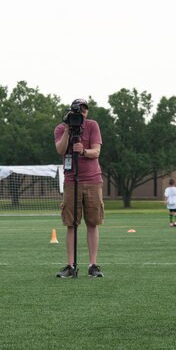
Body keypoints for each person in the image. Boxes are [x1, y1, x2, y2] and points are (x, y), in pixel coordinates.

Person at [54, 98, 104, 278]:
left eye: (84, 110)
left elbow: (96, 152)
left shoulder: (92, 126)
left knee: (92, 222)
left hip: (92, 180)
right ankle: (70, 265)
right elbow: (60, 150)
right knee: (71, 224)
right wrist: (67, 130)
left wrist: (83, 151)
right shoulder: (61, 128)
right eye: (78, 111)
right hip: (70, 180)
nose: (81, 114)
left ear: (87, 112)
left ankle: (93, 264)